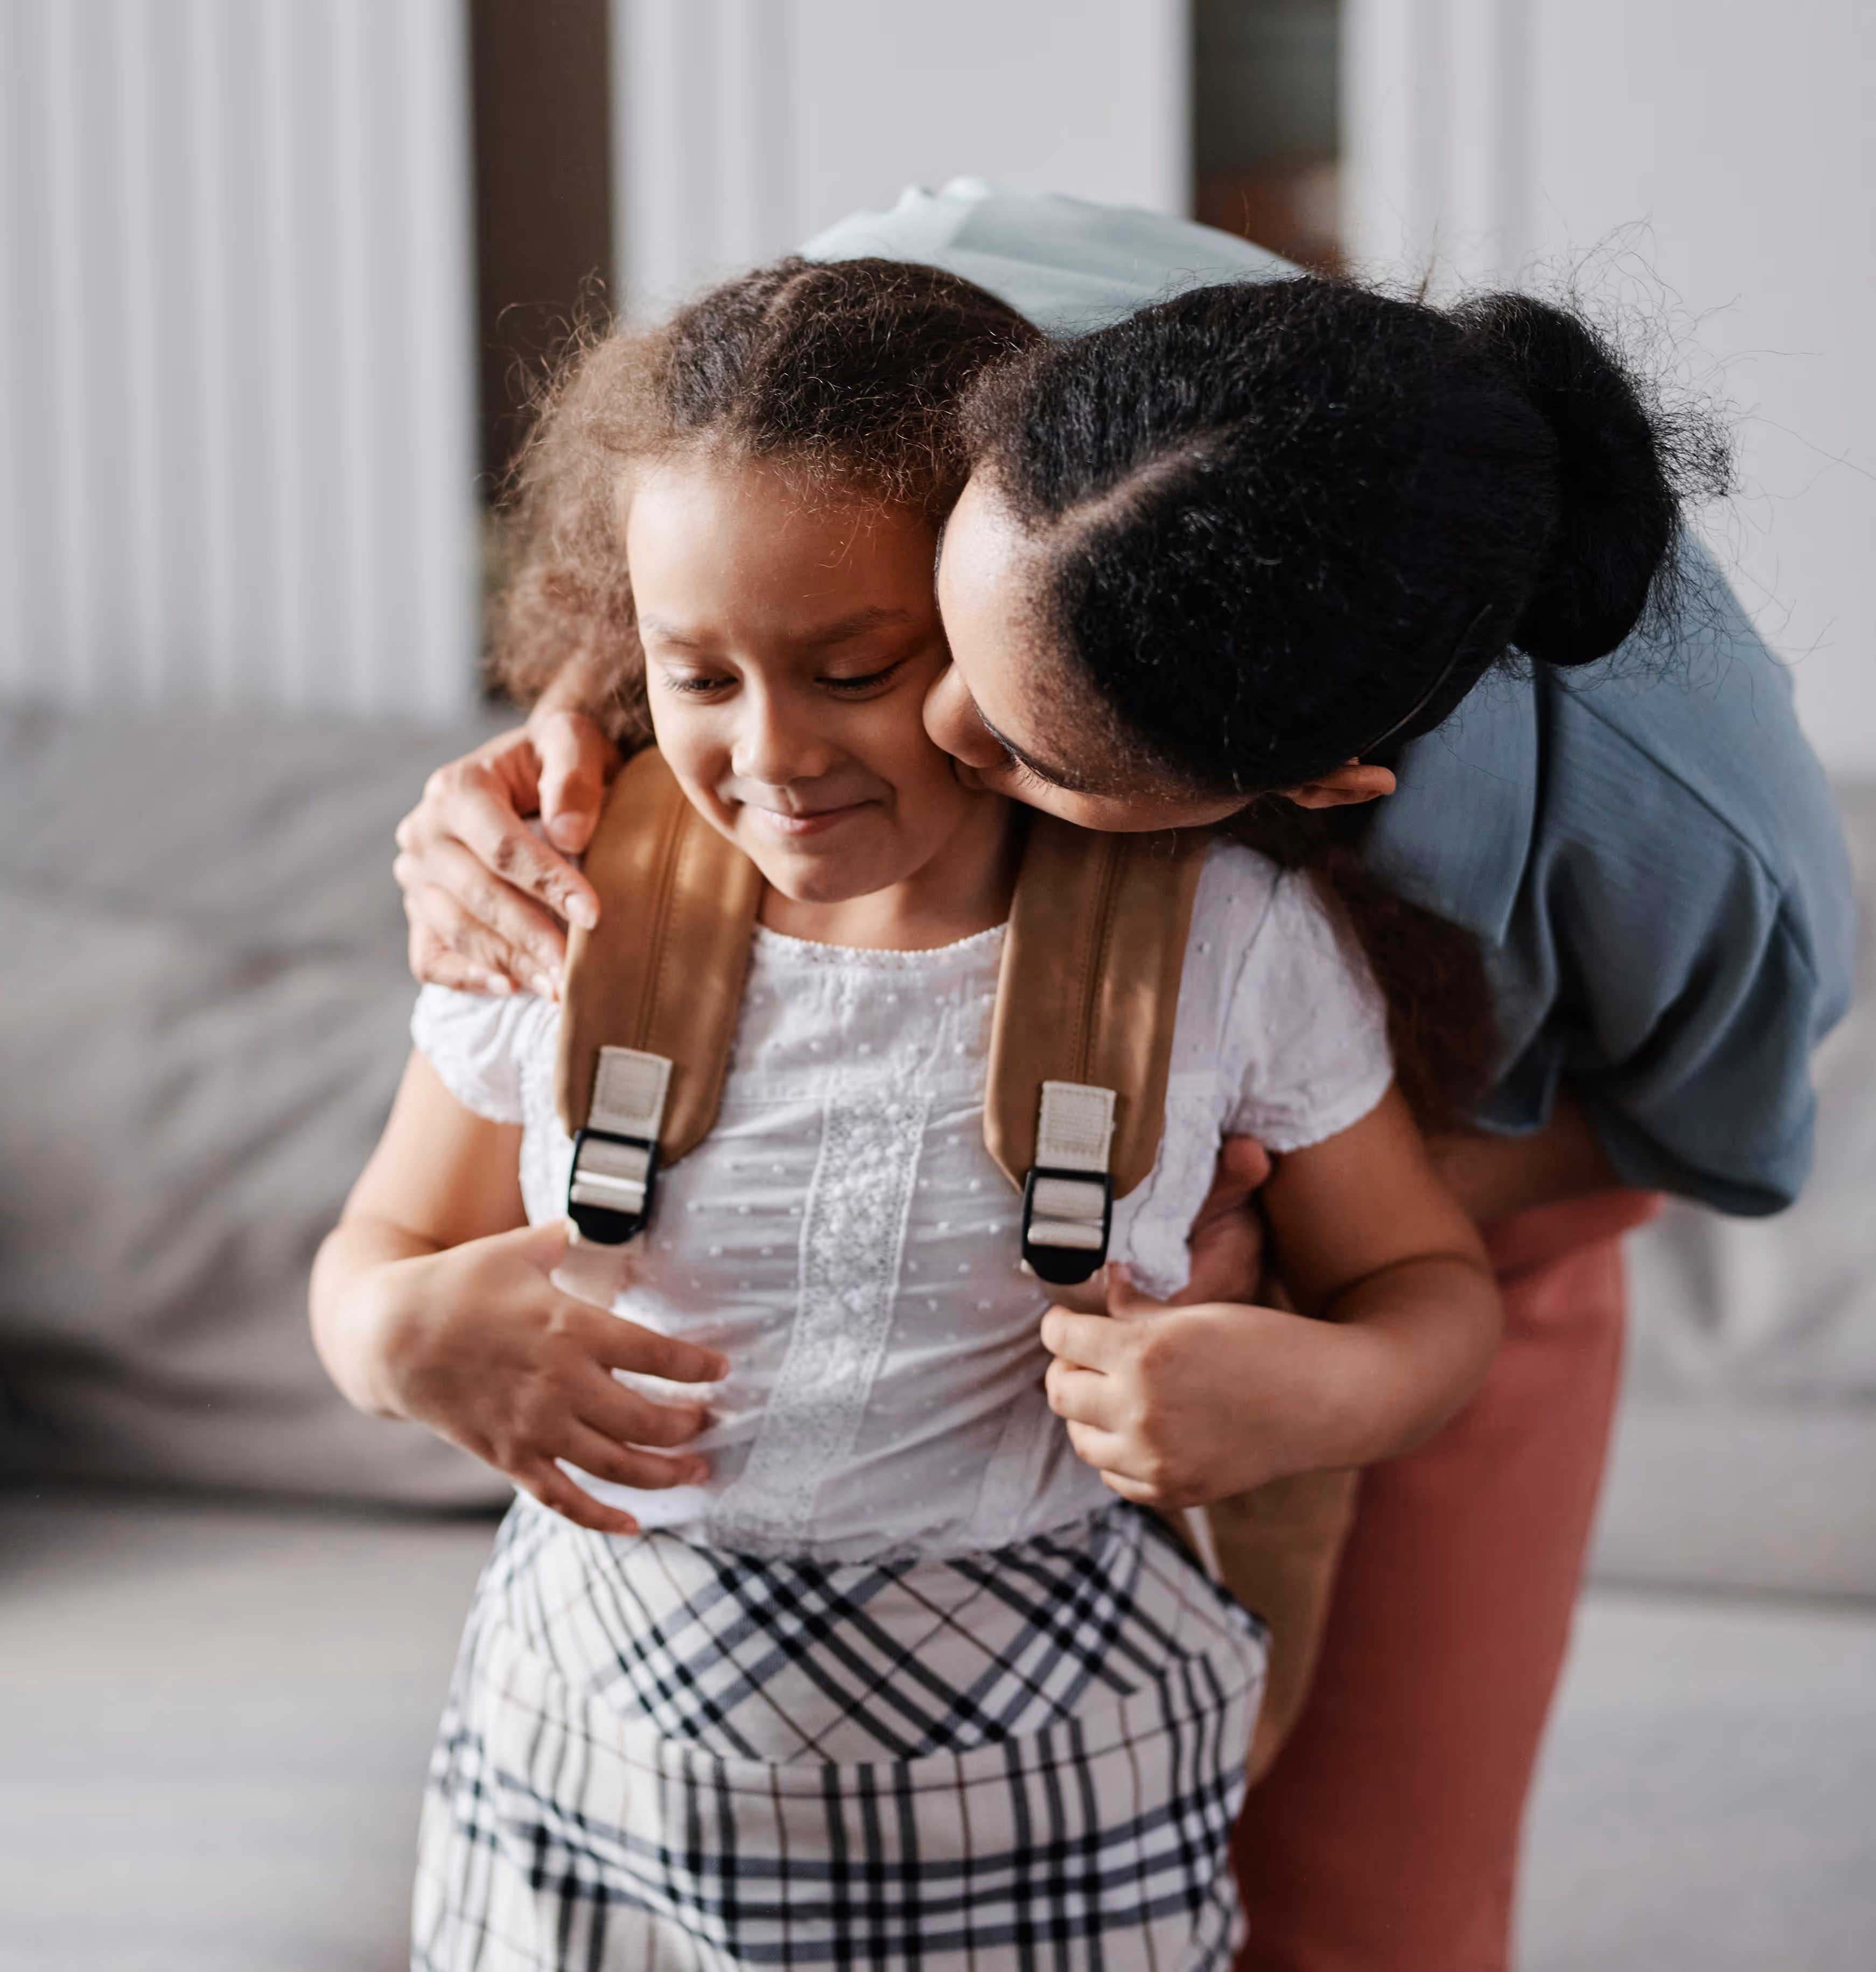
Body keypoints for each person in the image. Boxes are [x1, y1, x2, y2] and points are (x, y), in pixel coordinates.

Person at [389, 185, 1854, 1971]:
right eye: (934, 642)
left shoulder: (1703, 845)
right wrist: (581, 715)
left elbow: (1680, 1141)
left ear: (1289, 796)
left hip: (1443, 1194)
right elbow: (724, 502)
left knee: (1360, 1911)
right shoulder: (962, 301)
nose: (933, 745)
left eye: (1012, 753)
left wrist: (1261, 1246)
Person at [311, 256, 1501, 1969]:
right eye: (698, 677)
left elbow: (1432, 1292)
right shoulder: (563, 896)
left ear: (1006, 614)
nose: (771, 754)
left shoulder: (1217, 939)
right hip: (593, 1768)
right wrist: (385, 1339)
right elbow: (373, 1249)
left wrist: (1329, 1386)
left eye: (855, 667)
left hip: (1044, 1785)